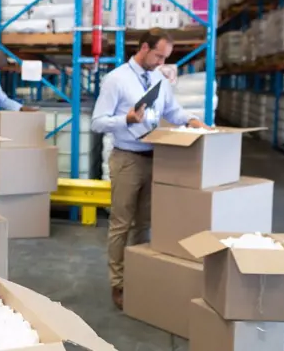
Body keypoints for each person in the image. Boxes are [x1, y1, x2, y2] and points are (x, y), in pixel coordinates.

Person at [90, 28, 209, 310]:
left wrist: (192, 121)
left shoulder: (159, 79)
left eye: (165, 57)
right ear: (144, 47)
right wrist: (126, 119)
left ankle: (137, 277)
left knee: (144, 224)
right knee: (121, 224)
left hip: (155, 158)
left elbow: (173, 112)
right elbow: (97, 122)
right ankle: (118, 284)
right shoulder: (116, 80)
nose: (160, 62)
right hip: (127, 159)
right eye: (158, 56)